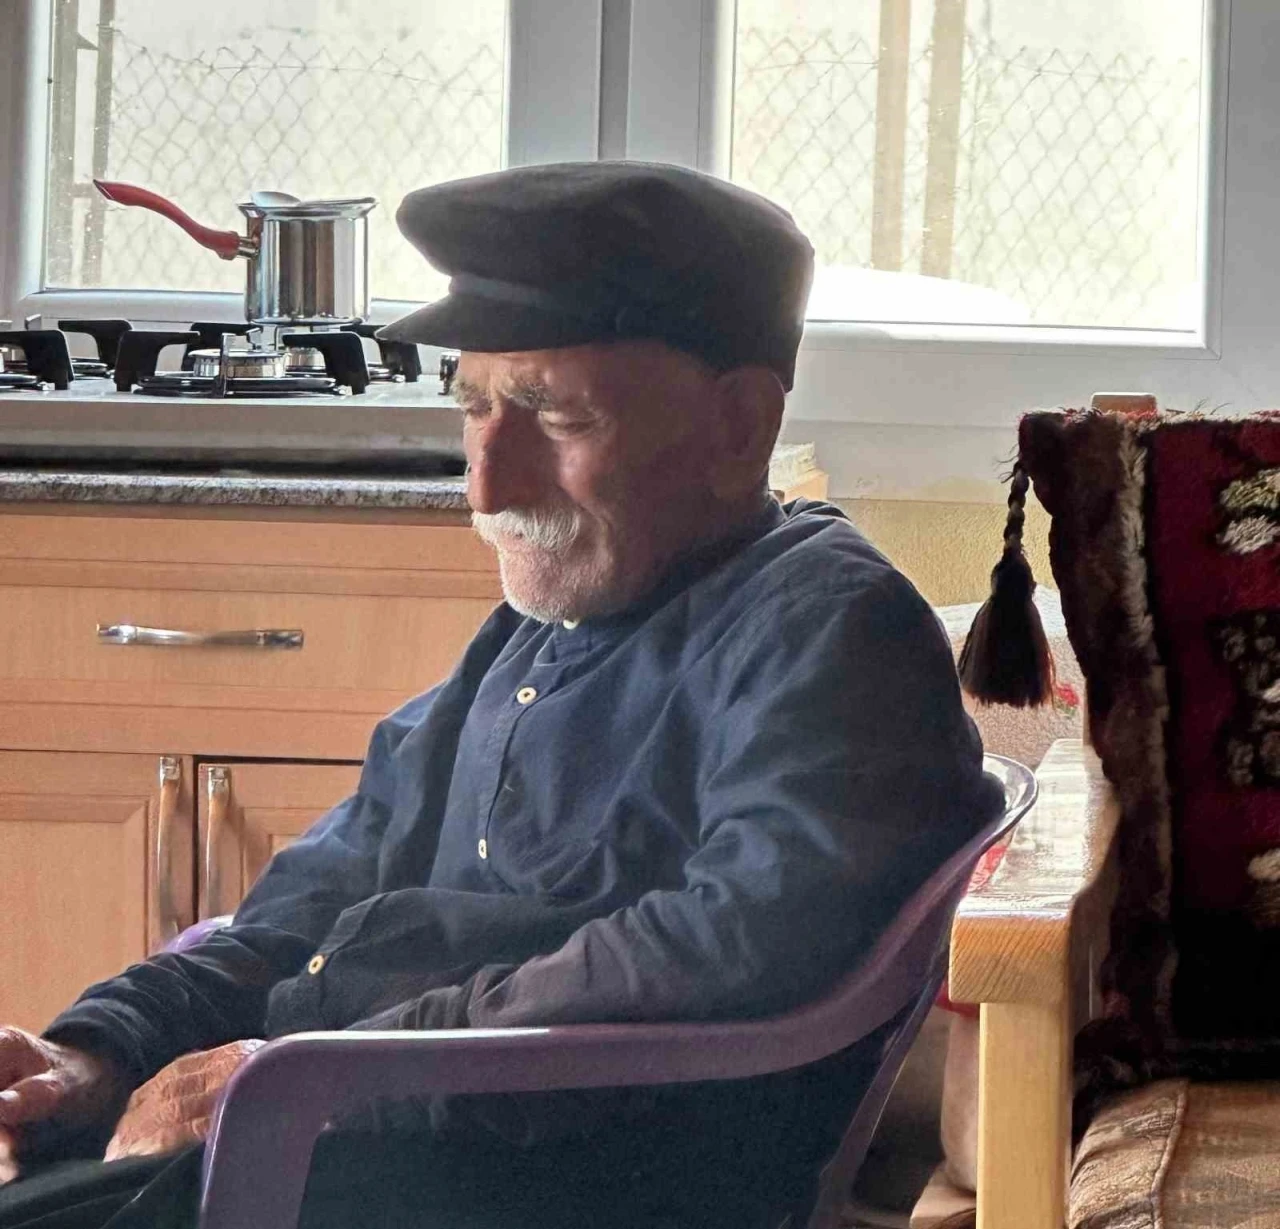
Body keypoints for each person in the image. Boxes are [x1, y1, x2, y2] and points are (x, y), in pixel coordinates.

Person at [0, 162, 1003, 1229]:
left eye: (552, 415)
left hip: (533, 1178)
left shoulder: (830, 628)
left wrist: (309, 1071)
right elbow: (323, 888)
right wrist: (99, 1048)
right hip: (341, 1123)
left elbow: (733, 946)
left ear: (736, 428)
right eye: (473, 405)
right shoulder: (557, 616)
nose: (484, 484)